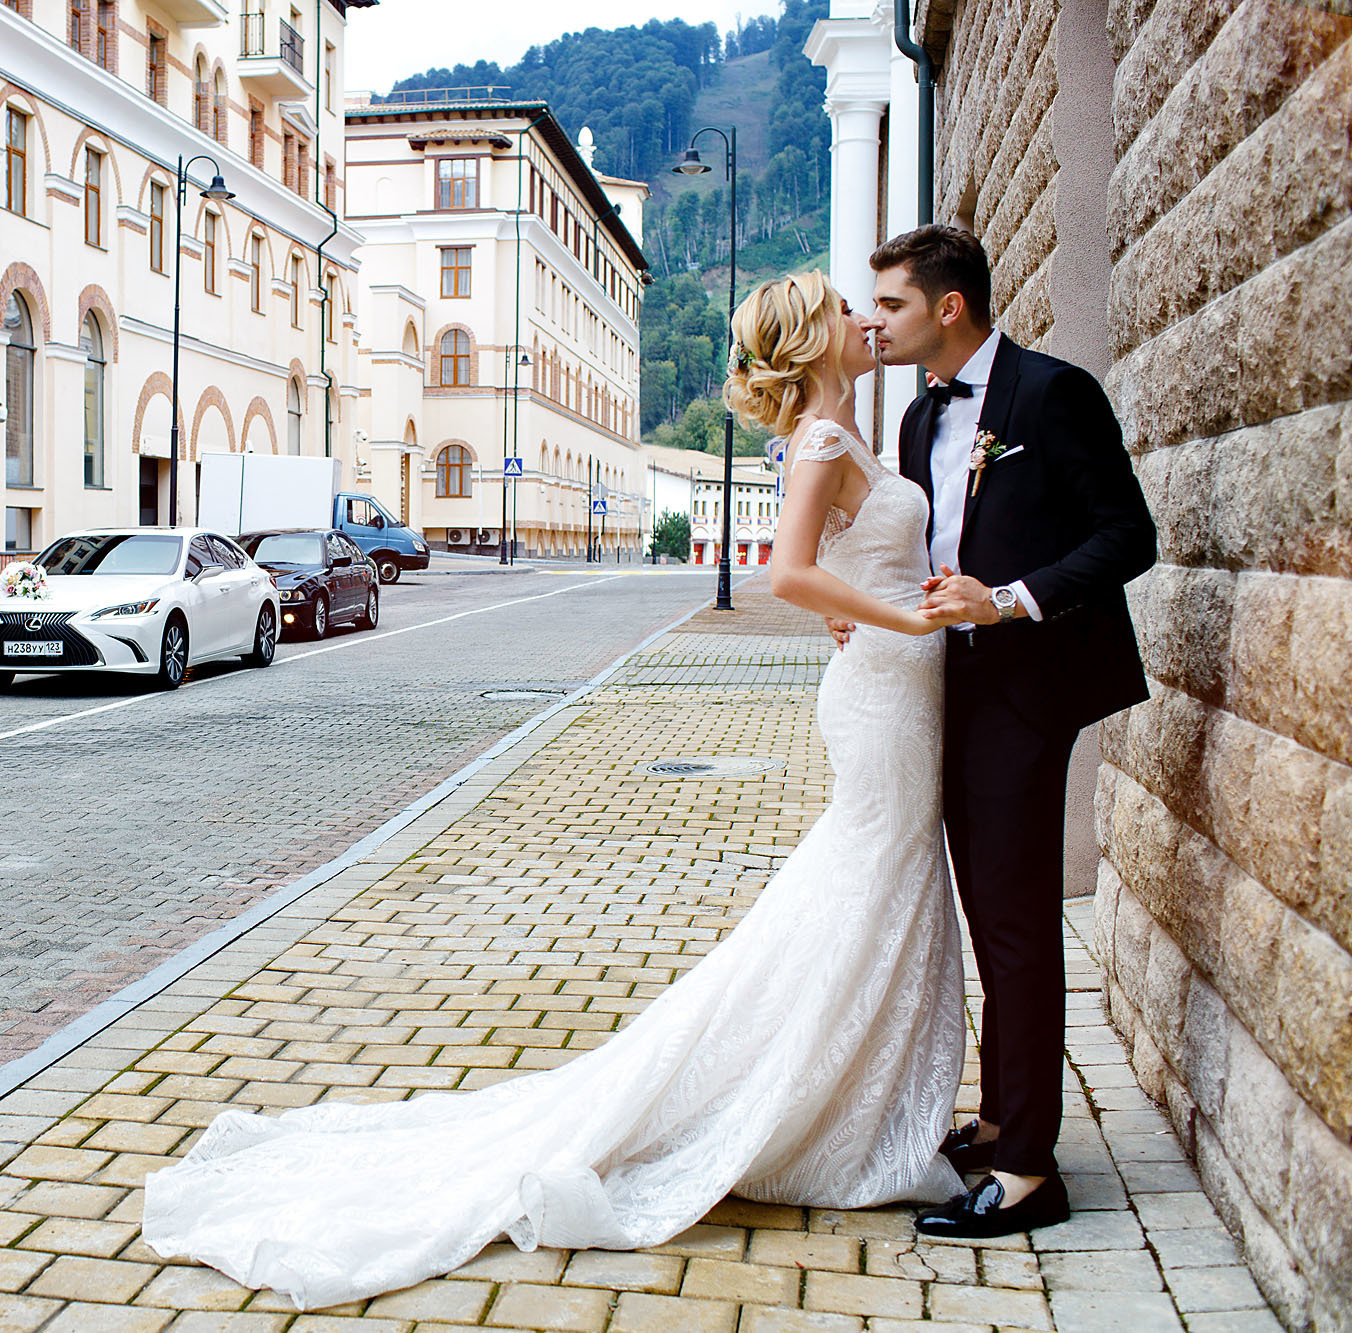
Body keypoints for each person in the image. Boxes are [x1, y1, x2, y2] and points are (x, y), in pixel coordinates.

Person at [141, 271, 978, 1309]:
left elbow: (840, 563)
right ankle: (824, 1111)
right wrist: (904, 617)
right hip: (885, 690)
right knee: (869, 878)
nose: (863, 318)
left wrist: (871, 608)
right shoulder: (820, 440)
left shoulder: (849, 434)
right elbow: (787, 574)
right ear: (814, 338)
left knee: (875, 883)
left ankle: (856, 1098)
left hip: (896, 686)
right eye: (845, 307)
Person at [845, 224, 1156, 1239]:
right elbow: (923, 548)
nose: (875, 321)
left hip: (1024, 688)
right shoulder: (915, 416)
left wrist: (1010, 599)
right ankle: (999, 1117)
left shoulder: (1052, 393)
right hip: (943, 688)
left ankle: (1028, 1170)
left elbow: (1127, 536)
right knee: (987, 914)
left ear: (948, 306)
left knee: (1017, 924)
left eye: (891, 303)